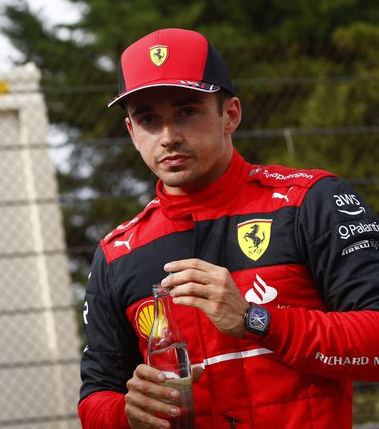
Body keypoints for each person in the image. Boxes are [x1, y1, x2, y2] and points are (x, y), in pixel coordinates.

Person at [78, 27, 379, 428]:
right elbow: (96, 396)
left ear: (230, 115)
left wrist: (258, 320)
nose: (168, 137)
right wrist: (125, 413)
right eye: (148, 119)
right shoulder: (118, 253)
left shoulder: (310, 201)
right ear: (132, 133)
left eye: (187, 111)